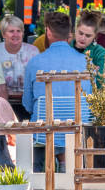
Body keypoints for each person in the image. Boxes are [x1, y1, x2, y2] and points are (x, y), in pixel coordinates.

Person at [23, 11, 91, 171]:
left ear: (47, 31)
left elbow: (27, 104)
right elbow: (89, 100)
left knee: (37, 128)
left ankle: (41, 178)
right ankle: (65, 167)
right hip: (76, 131)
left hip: (45, 132)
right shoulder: (85, 62)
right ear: (70, 34)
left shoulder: (35, 62)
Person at [0, 15, 39, 108]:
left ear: (23, 33)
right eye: (11, 31)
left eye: (18, 31)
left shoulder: (33, 52)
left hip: (28, 103)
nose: (15, 35)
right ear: (3, 34)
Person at [70, 10, 105, 84]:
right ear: (75, 30)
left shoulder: (101, 53)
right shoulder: (66, 48)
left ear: (95, 36)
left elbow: (100, 83)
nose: (83, 38)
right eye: (80, 33)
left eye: (88, 35)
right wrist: (91, 73)